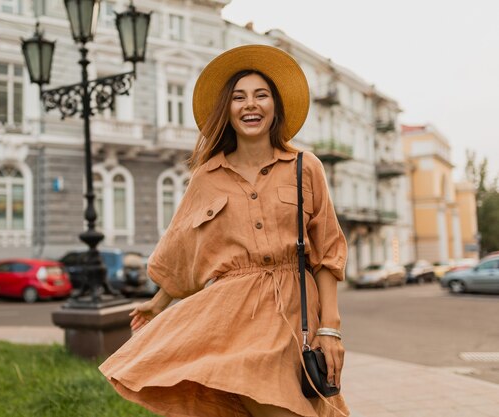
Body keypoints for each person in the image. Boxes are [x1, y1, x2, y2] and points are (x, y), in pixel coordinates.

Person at [99, 44, 349, 417]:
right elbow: (184, 247)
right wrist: (158, 302)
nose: (250, 104)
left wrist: (329, 329)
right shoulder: (207, 177)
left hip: (295, 309)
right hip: (233, 315)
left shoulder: (305, 166)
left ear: (275, 107)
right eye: (239, 97)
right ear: (227, 111)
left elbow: (328, 252)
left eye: (261, 95)